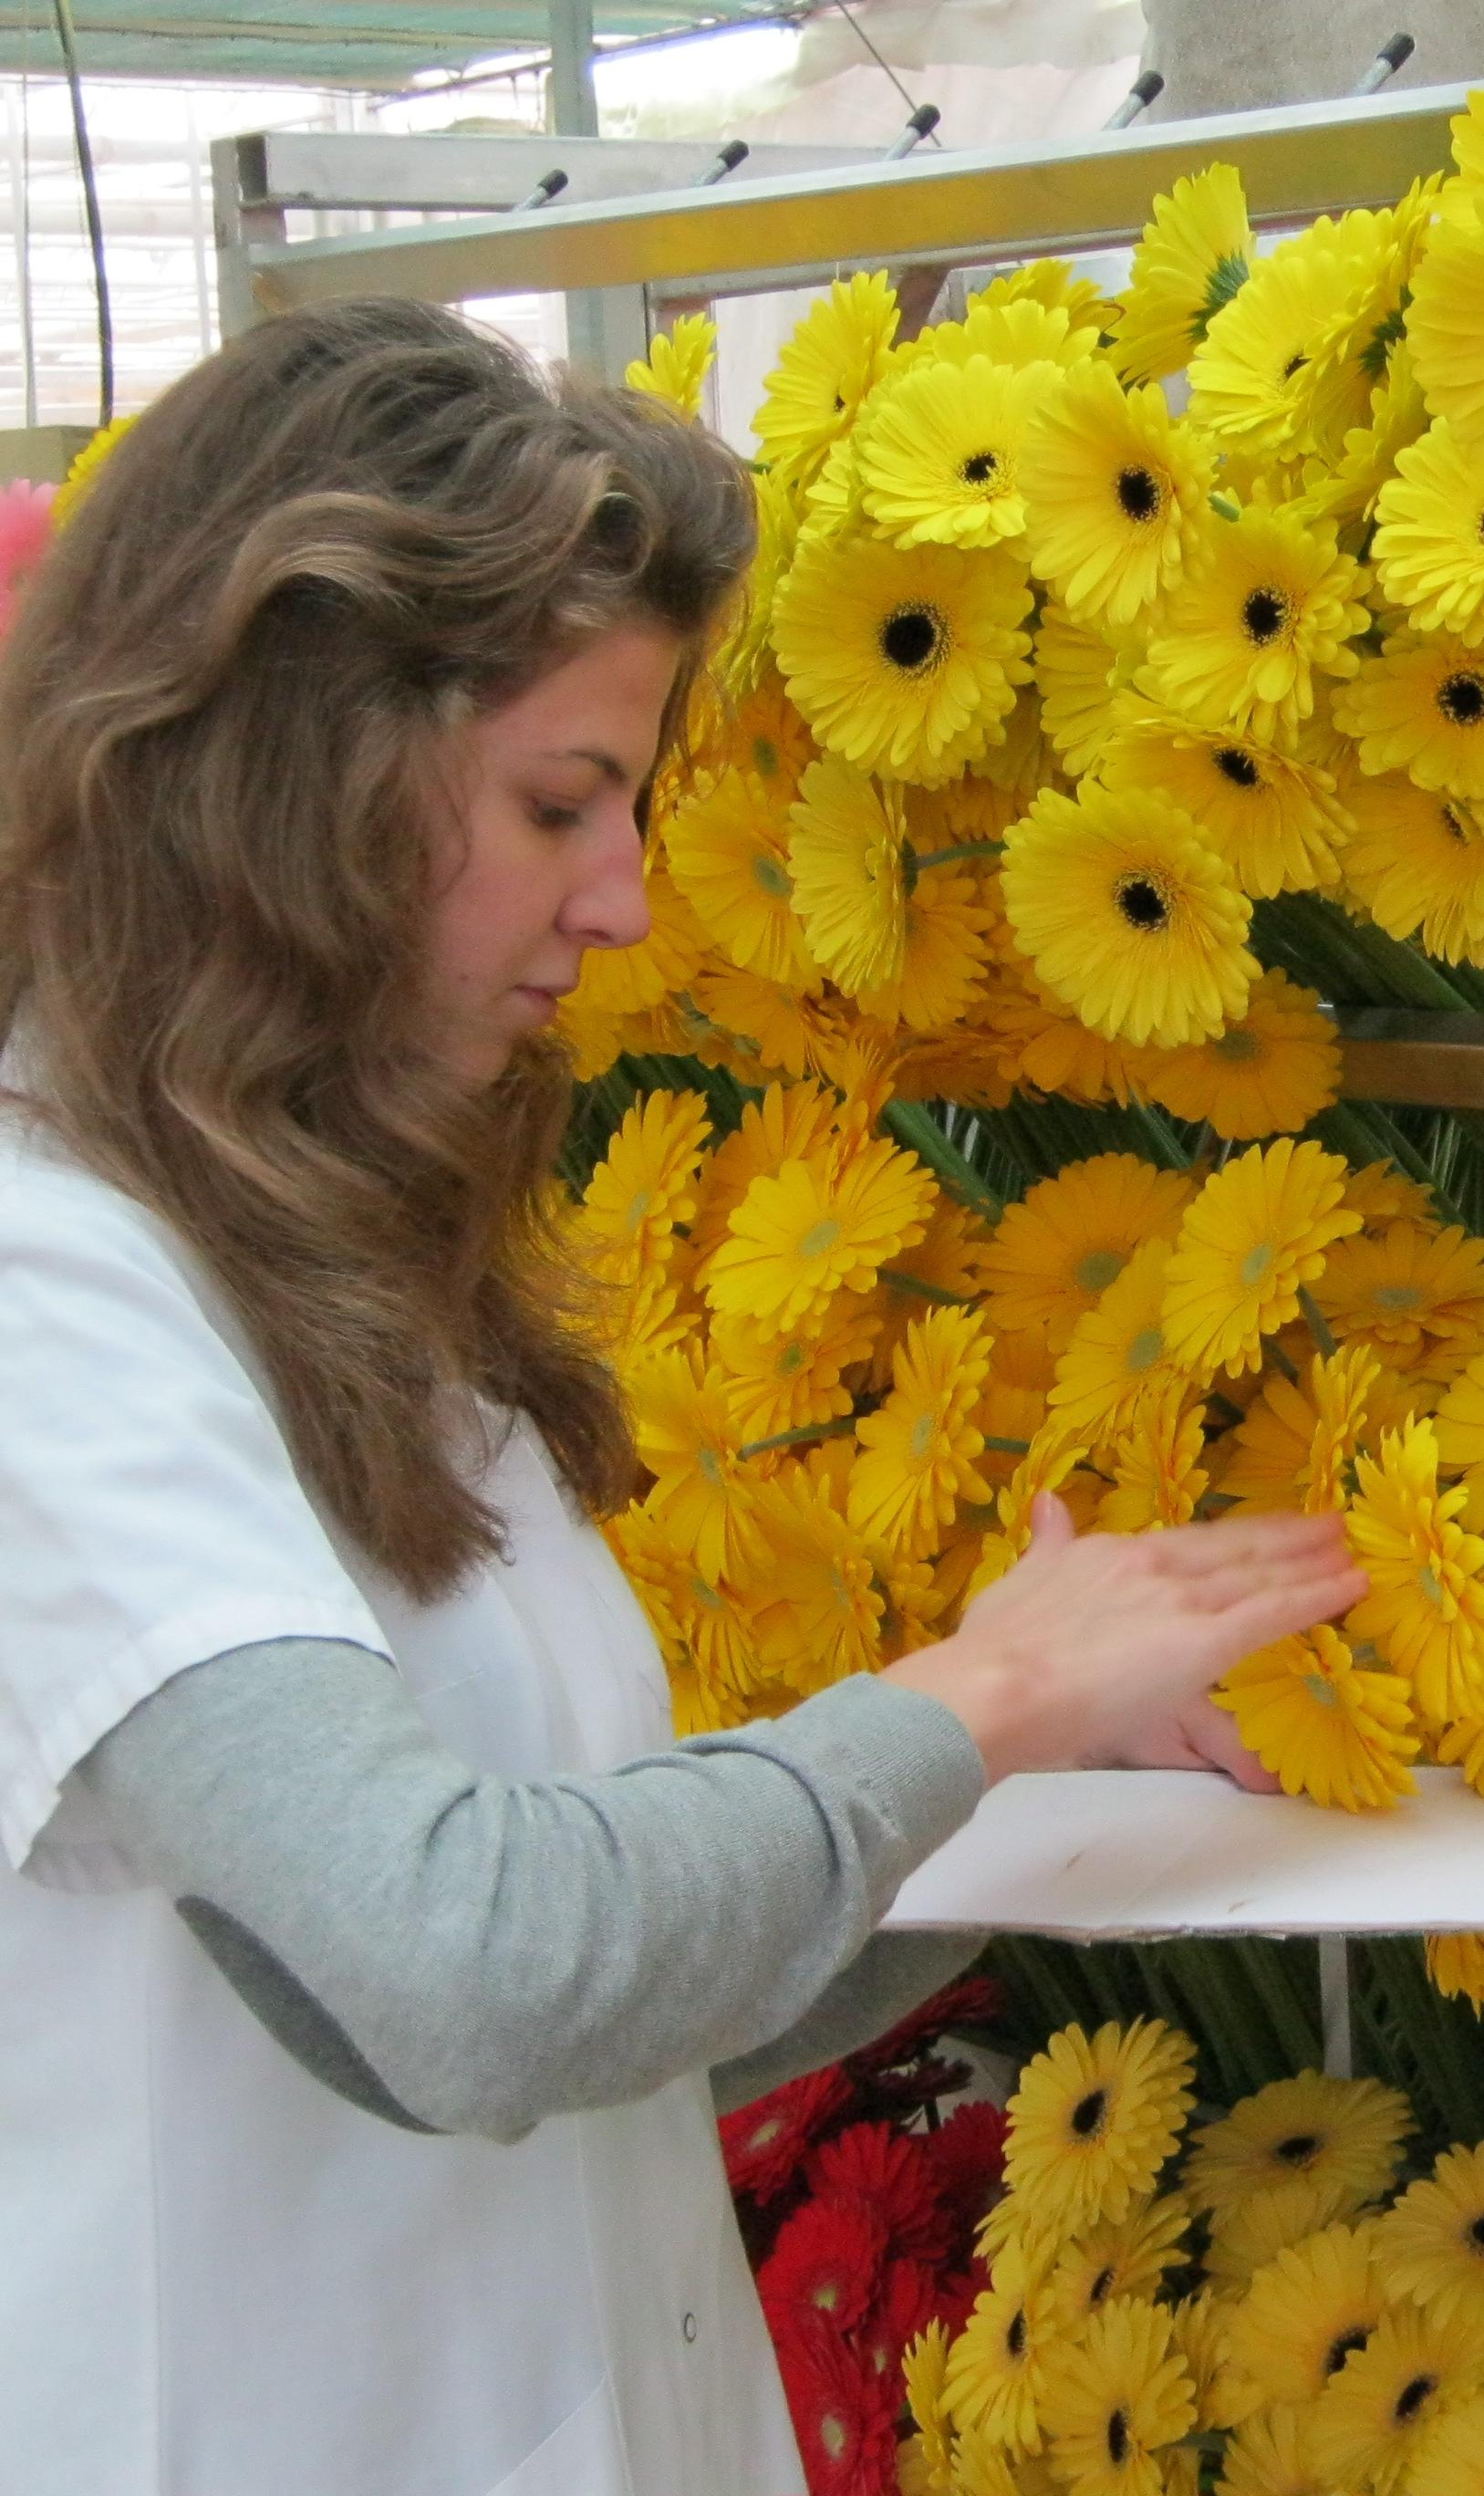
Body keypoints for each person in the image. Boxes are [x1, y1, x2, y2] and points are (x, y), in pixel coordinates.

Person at [0, 297, 1367, 2496]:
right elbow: (465, 1975)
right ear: (298, 768)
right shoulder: (47, 1290)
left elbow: (629, 2001)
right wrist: (980, 1699)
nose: (625, 902)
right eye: (564, 803)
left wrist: (1031, 1789)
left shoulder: (329, 1236)